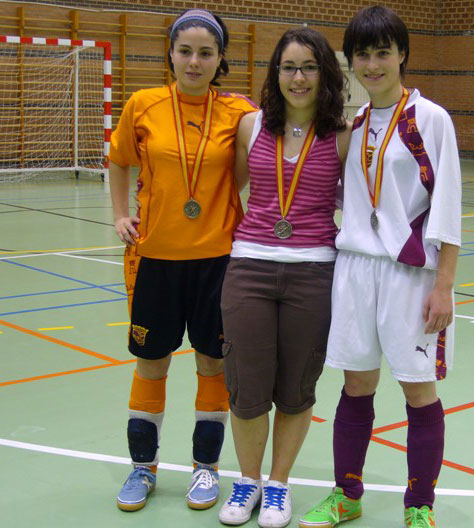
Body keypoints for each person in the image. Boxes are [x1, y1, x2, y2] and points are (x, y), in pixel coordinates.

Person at [299, 6, 461, 528]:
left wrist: (445, 285)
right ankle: (347, 495)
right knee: (355, 387)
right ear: (351, 62)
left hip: (410, 277)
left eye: (382, 53)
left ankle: (419, 507)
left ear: (402, 56)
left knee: (418, 389)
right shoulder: (355, 125)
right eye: (362, 55)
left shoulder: (430, 119)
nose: (372, 64)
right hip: (354, 270)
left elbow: (449, 206)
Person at [108, 8, 257, 513]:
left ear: (220, 60)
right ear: (170, 54)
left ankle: (205, 470)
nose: (195, 61)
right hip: (155, 258)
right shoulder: (143, 105)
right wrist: (119, 214)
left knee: (213, 363)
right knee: (152, 363)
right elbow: (118, 159)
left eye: (206, 53)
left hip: (217, 259)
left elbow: (280, 138)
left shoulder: (240, 112)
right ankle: (142, 468)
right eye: (185, 51)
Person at [216, 28, 351, 528]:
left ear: (326, 74)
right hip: (249, 268)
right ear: (276, 73)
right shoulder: (251, 127)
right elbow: (229, 191)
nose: (299, 77)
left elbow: (356, 208)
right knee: (247, 388)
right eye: (289, 67)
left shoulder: (341, 135)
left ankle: (277, 486)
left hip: (314, 275)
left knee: (296, 388)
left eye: (310, 67)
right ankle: (248, 480)